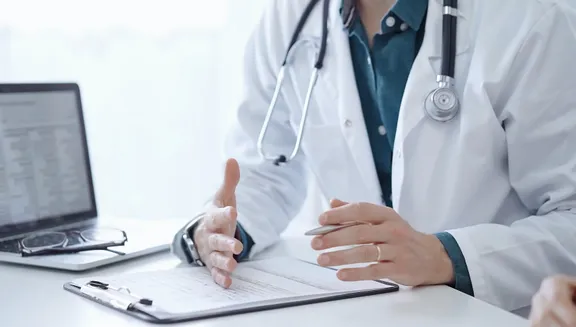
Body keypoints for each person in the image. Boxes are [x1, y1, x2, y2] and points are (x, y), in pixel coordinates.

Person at [171, 0, 576, 315]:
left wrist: (449, 256)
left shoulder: (530, 18)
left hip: (494, 313)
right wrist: (222, 233)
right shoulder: (291, 17)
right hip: (361, 309)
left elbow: (569, 219)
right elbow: (266, 173)